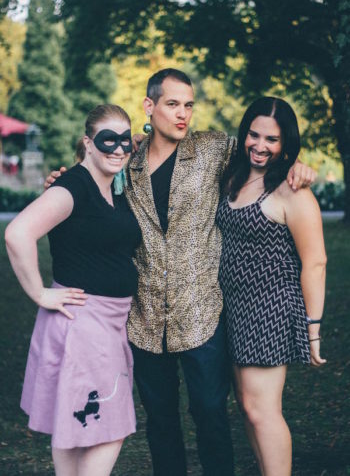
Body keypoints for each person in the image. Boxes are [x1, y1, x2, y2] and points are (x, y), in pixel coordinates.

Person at [46, 69, 316, 476]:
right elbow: (85, 179)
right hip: (145, 317)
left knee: (211, 412)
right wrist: (61, 179)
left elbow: (263, 149)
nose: (183, 114)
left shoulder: (212, 149)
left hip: (202, 312)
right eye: (173, 104)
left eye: (189, 105)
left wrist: (301, 164)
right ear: (149, 107)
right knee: (162, 421)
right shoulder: (124, 162)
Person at [5, 104, 142, 476]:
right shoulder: (73, 187)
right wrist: (39, 293)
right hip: (84, 322)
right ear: (87, 143)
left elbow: (138, 142)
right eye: (107, 140)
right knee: (108, 425)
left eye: (124, 142)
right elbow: (17, 233)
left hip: (102, 323)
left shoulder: (110, 185)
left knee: (76, 422)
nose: (117, 149)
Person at [216, 96, 327, 476]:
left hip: (270, 310)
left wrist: (313, 329)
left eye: (272, 140)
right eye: (254, 134)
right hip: (232, 309)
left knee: (263, 410)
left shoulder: (292, 190)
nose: (260, 146)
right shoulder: (234, 174)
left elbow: (315, 262)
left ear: (286, 144)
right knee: (247, 407)